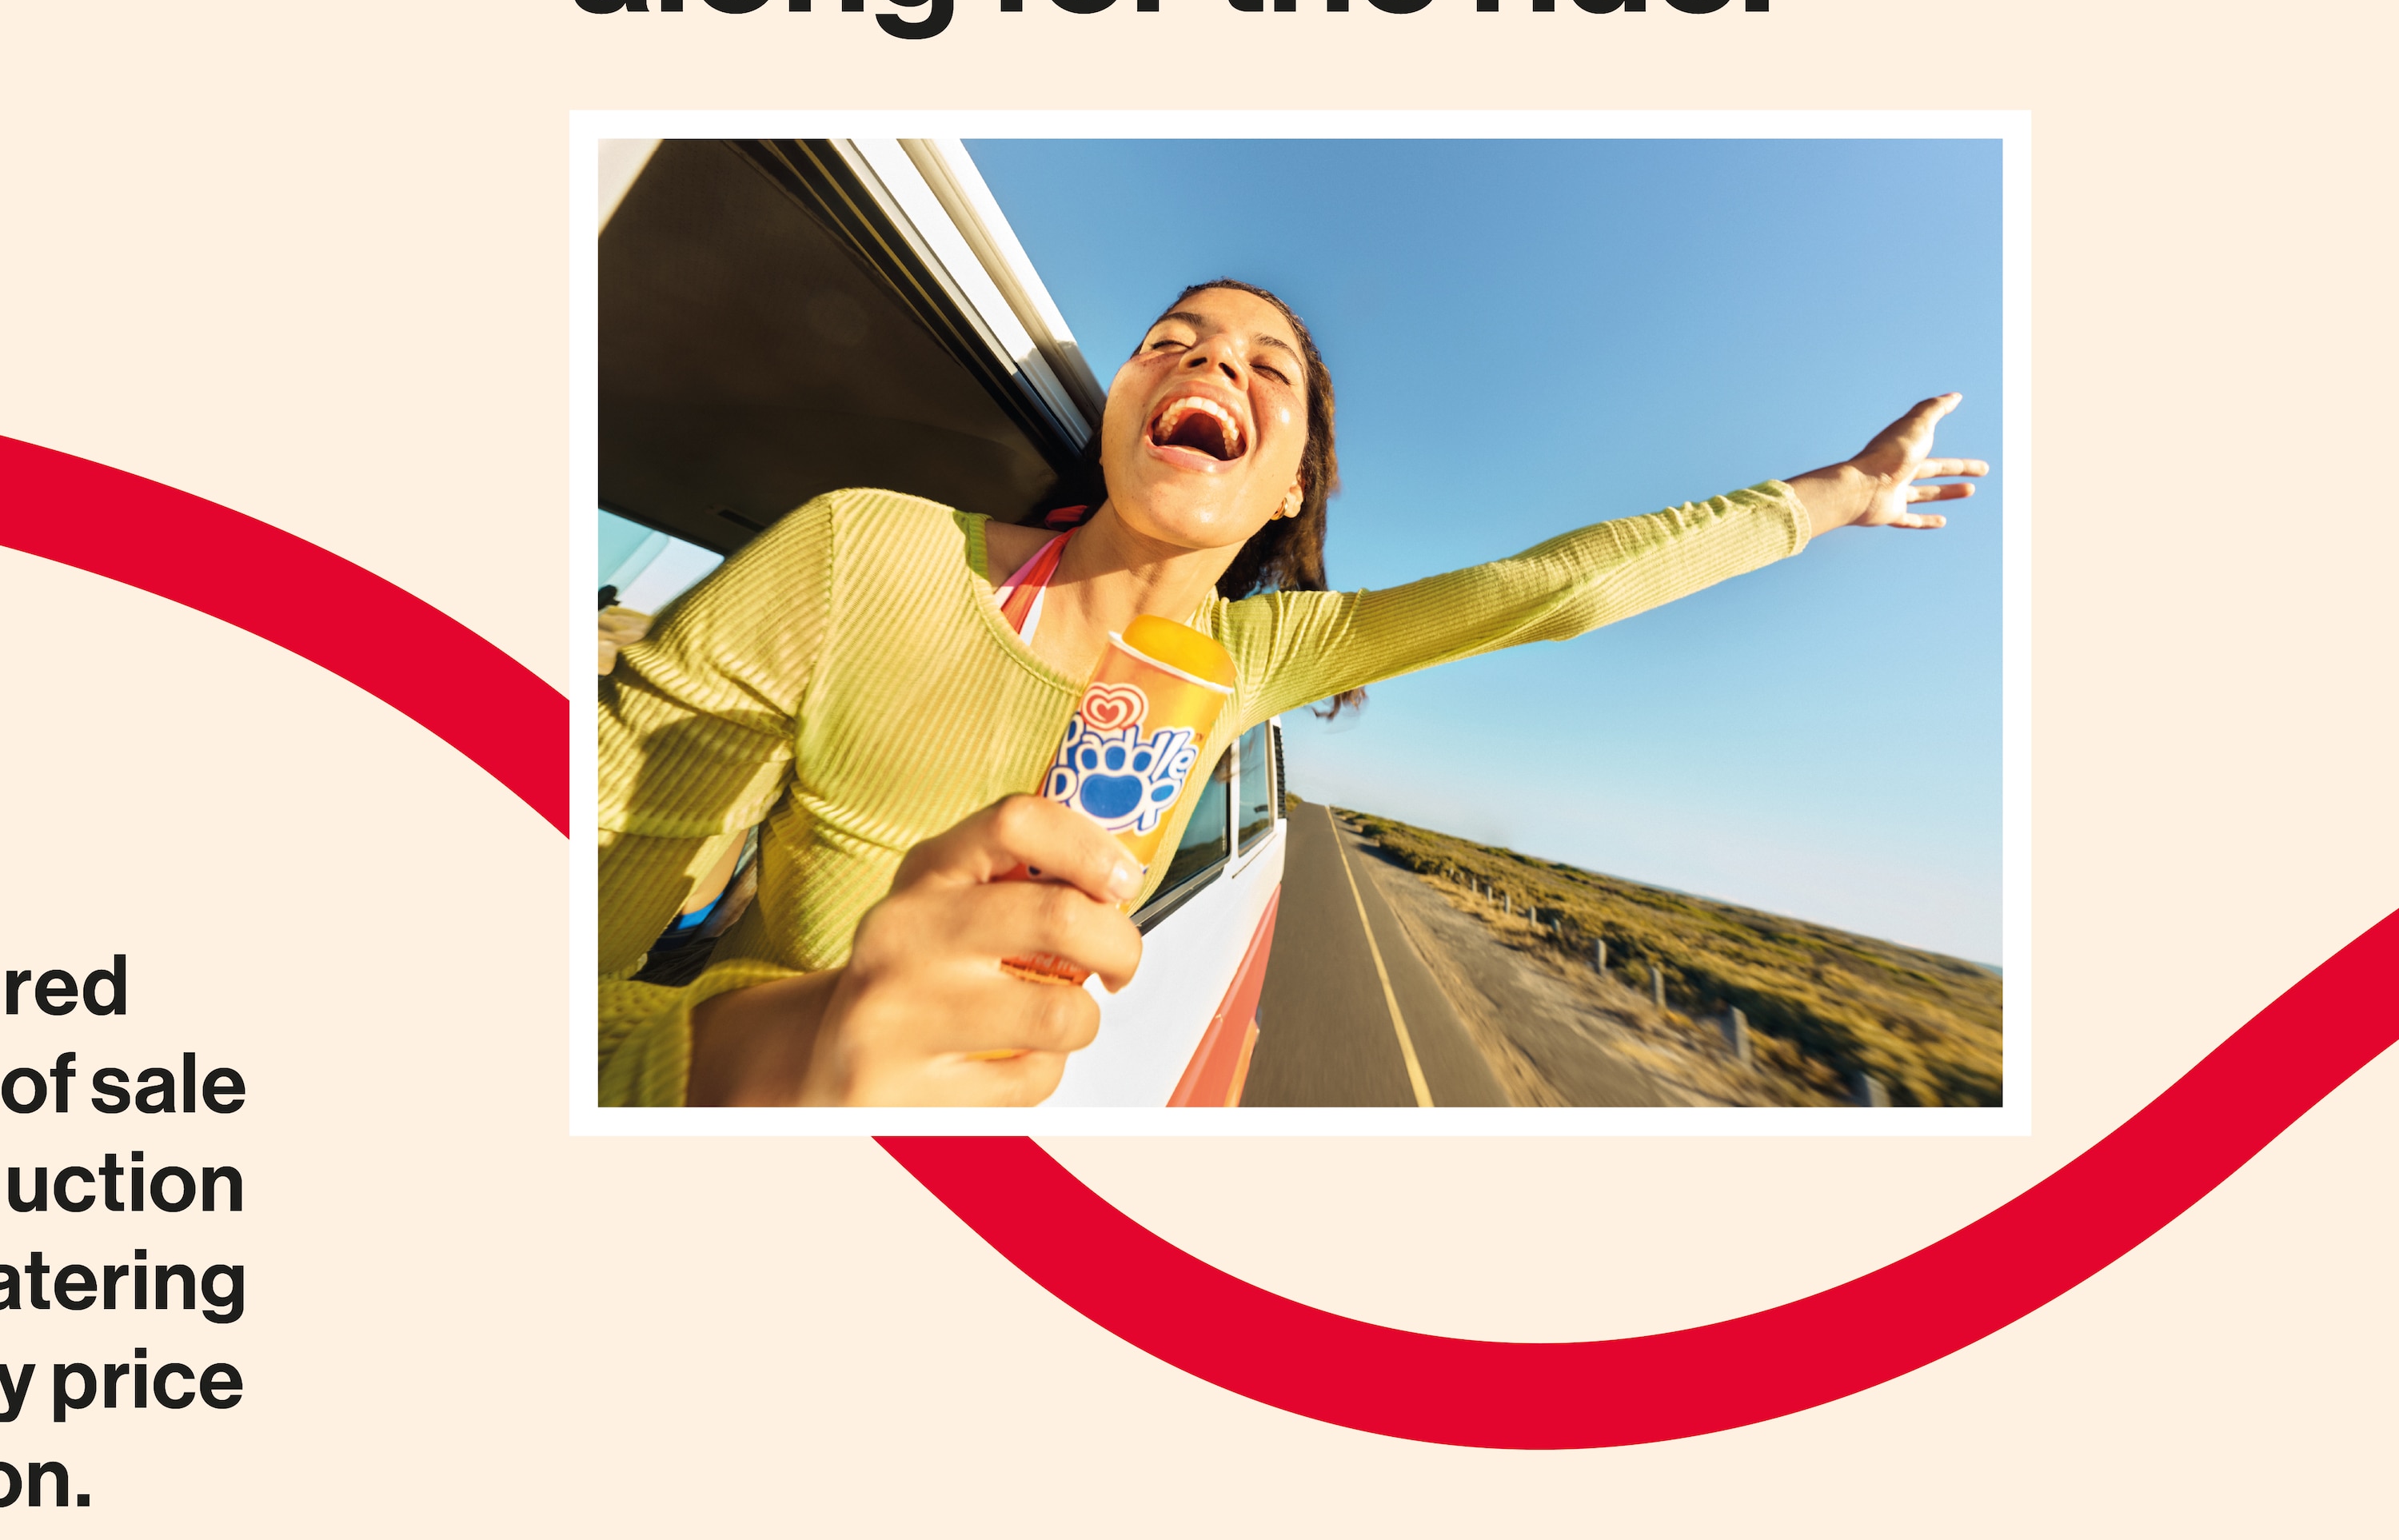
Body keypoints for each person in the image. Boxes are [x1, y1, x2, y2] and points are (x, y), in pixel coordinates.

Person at [597, 279, 1983, 1107]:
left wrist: (1824, 500)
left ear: (1288, 484)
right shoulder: (864, 551)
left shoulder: (1256, 665)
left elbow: (1552, 587)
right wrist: (781, 1053)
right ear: (1121, 408)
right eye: (1174, 340)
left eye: (1266, 371)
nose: (1210, 362)